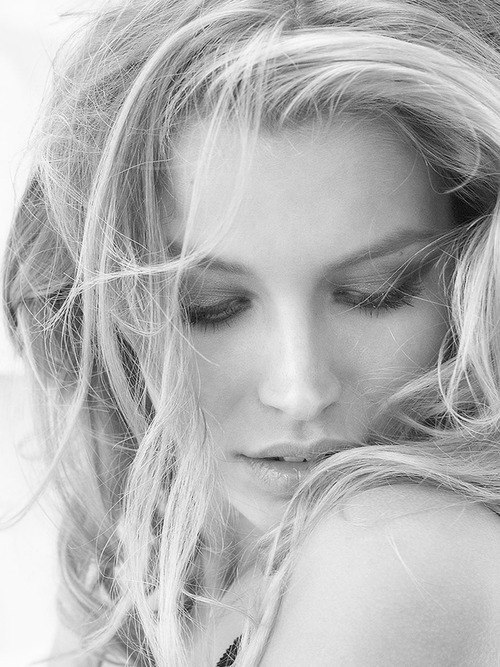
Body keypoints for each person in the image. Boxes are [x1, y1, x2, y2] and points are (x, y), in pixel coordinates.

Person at [4, 0, 500, 664]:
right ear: (110, 307)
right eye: (209, 307)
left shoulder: (400, 551)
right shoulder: (144, 550)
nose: (299, 391)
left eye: (376, 292)